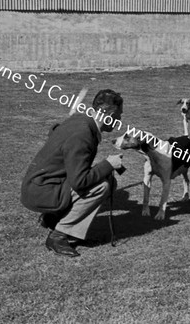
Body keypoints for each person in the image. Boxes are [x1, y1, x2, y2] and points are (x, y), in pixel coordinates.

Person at [21, 89, 124, 257]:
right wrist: (108, 164)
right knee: (103, 186)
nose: (119, 119)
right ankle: (58, 236)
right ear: (108, 114)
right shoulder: (83, 134)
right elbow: (79, 182)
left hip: (38, 185)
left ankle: (52, 219)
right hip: (41, 192)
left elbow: (54, 130)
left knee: (106, 180)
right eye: (118, 115)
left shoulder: (80, 120)